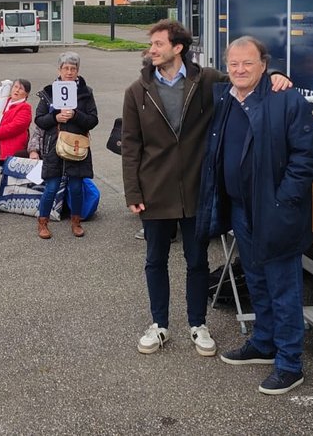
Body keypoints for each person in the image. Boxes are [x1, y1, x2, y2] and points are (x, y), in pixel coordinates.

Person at [124, 21, 296, 354]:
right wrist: (133, 191)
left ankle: (197, 324)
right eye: (152, 45)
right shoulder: (137, 91)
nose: (152, 50)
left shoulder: (206, 81)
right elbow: (131, 144)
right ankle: (159, 325)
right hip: (154, 190)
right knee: (154, 260)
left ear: (178, 48)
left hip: (196, 189)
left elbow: (246, 78)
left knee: (197, 260)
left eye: (159, 44)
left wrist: (276, 75)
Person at [197, 36, 313, 395]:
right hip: (241, 209)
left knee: (284, 286)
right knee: (256, 281)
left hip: (276, 211)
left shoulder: (286, 100)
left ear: (264, 66)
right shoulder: (224, 99)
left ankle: (289, 363)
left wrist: (284, 200)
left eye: (248, 64)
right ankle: (264, 342)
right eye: (233, 63)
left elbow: (308, 156)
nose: (239, 70)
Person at [33, 52, 99, 239]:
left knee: (76, 187)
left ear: (78, 71)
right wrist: (56, 117)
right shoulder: (48, 91)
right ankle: (43, 222)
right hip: (54, 146)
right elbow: (39, 120)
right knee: (52, 187)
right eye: (66, 68)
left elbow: (93, 120)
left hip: (76, 146)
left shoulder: (86, 93)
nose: (69, 72)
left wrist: (75, 115)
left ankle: (76, 222)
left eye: (73, 68)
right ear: (59, 70)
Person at [0, 78, 32, 202]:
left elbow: (13, 128)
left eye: (21, 88)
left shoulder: (25, 108)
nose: (17, 90)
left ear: (27, 94)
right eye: (15, 87)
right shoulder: (3, 103)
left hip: (9, 146)